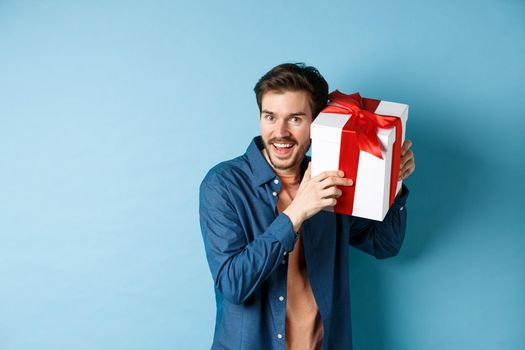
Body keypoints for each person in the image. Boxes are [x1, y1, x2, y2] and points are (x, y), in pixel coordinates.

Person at [199, 63, 415, 350]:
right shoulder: (223, 184)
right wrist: (296, 213)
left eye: (295, 119)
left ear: (316, 123)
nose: (280, 132)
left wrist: (395, 183)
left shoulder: (334, 179)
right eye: (270, 117)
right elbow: (233, 285)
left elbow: (384, 245)